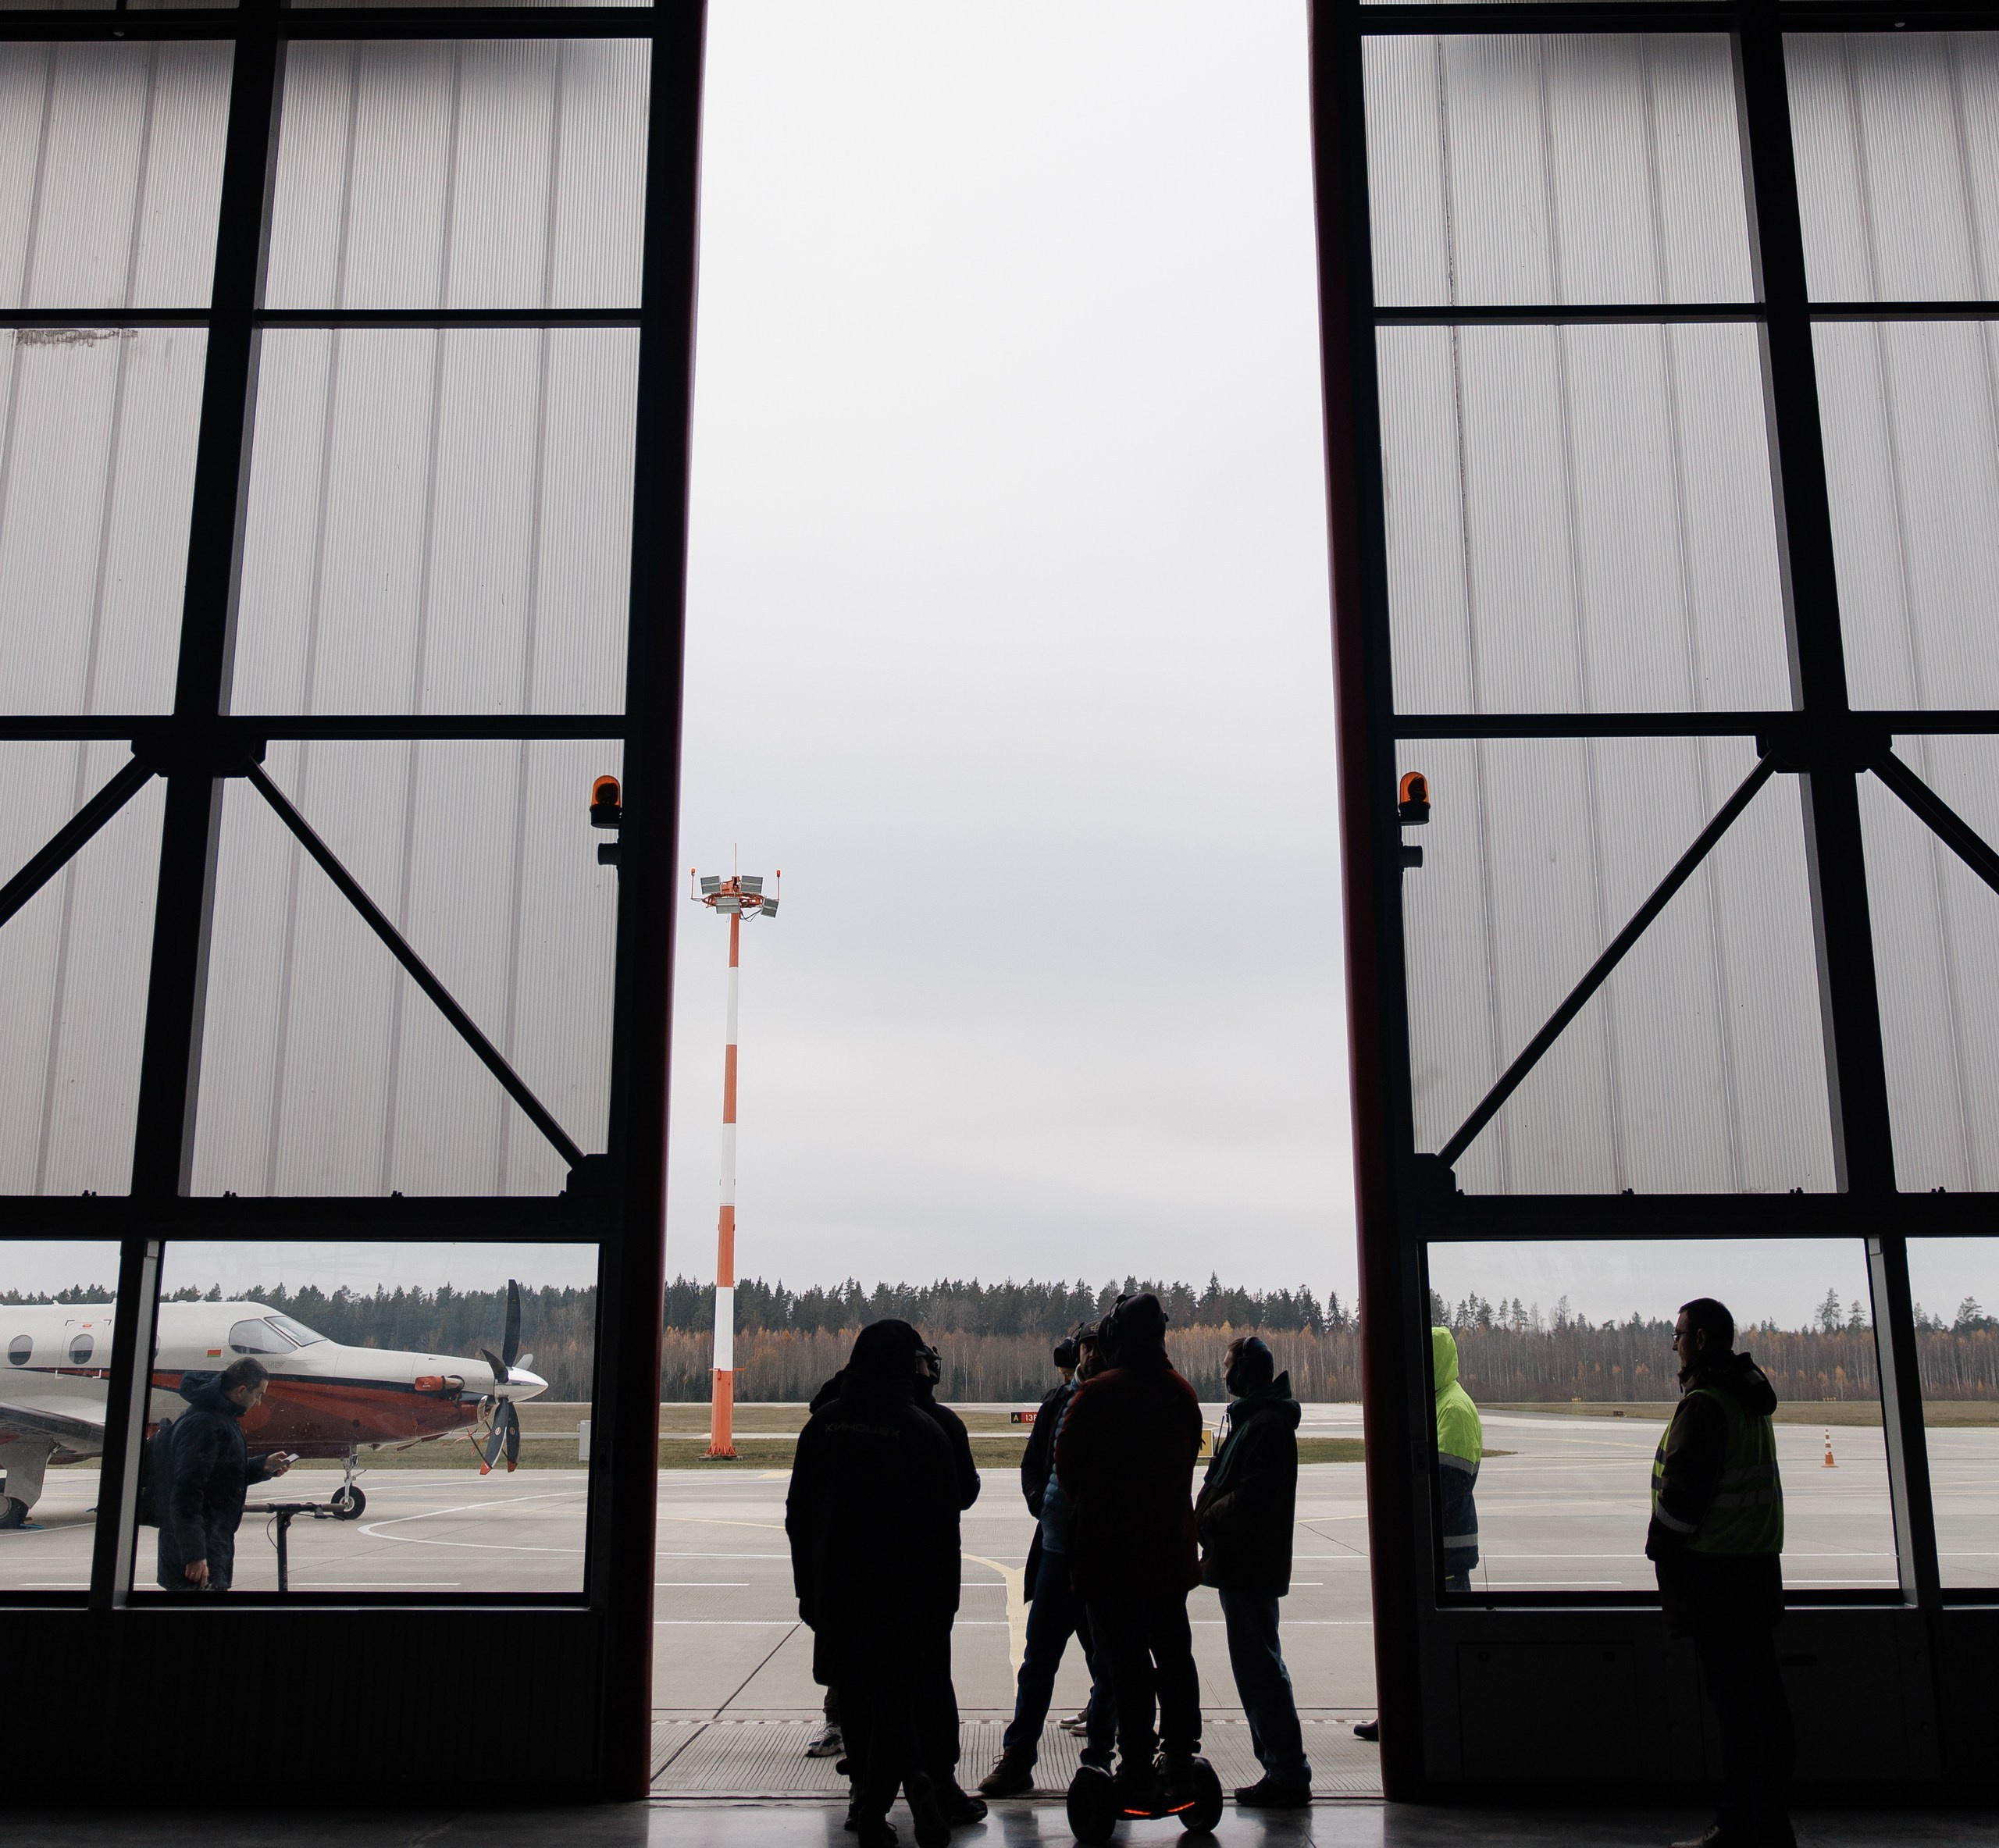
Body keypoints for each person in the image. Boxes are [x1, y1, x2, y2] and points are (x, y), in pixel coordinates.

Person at [787, 1321, 960, 1848]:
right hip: (904, 1599)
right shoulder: (924, 1430)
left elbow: (799, 1516)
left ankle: (867, 1798)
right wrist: (940, 1606)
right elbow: (941, 1530)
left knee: (858, 1703)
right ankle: (903, 1794)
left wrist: (808, 1590)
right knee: (897, 1701)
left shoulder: (824, 1427)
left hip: (839, 1592)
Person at [1648, 1298, 1794, 1848]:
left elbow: (1682, 1503)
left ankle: (1736, 1827)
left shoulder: (1706, 1405)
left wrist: (1658, 1547)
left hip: (1717, 1581)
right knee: (1764, 1708)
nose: (1675, 1343)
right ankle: (1769, 1824)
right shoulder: (1747, 1398)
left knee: (1737, 1713)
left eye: (1680, 1333)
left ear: (1702, 1340)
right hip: (1755, 1574)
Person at [1055, 1292, 1205, 1813]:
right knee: (1175, 1655)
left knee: (1126, 1663)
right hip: (1168, 1553)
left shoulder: (1096, 1394)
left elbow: (1067, 1467)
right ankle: (1181, 1756)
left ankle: (1137, 1764)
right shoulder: (1181, 1393)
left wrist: (1102, 1506)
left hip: (1111, 1556)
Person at [978, 1330, 1116, 1796]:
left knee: (1108, 1665)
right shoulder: (1058, 1401)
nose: (1093, 1354)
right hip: (1057, 1552)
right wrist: (1046, 1505)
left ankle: (1100, 1759)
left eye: (1100, 1347)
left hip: (1100, 1558)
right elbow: (1032, 1464)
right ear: (1077, 1354)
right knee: (1038, 1662)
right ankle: (1018, 1758)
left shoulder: (1119, 1401)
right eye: (1087, 1347)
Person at [1196, 1335, 1311, 1807]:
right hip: (1241, 1564)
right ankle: (1280, 1767)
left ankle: (1286, 1770)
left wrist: (1205, 1520)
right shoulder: (1255, 1420)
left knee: (1261, 1668)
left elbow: (1252, 1501)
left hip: (1249, 1565)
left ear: (1244, 1373)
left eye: (1228, 1365)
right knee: (1257, 1665)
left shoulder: (1265, 1426)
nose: (1224, 1373)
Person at [1356, 1323, 1484, 1744]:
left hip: (1445, 1552)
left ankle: (1451, 1723)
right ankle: (1399, 1711)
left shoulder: (1454, 1409)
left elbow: (1446, 1485)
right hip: (1430, 1549)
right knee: (1411, 1640)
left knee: (1444, 1646)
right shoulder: (1434, 1403)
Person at [912, 1339, 987, 1825]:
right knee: (932, 1679)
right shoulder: (942, 1424)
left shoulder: (839, 1421)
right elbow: (967, 1492)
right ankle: (940, 1781)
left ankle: (866, 1794)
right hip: (929, 1575)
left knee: (867, 1686)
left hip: (863, 1581)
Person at [157, 1356, 293, 1592]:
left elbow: (220, 1477)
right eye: (258, 1395)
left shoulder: (220, 1417)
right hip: (198, 1553)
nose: (259, 1402)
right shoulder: (205, 1423)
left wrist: (262, 1467)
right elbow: (186, 1492)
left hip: (211, 1545)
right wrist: (194, 1555)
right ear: (241, 1390)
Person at [1433, 1324, 1483, 1593]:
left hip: (1448, 1547)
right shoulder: (1440, 1401)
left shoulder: (1453, 1408)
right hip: (1444, 1546)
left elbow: (1447, 1484)